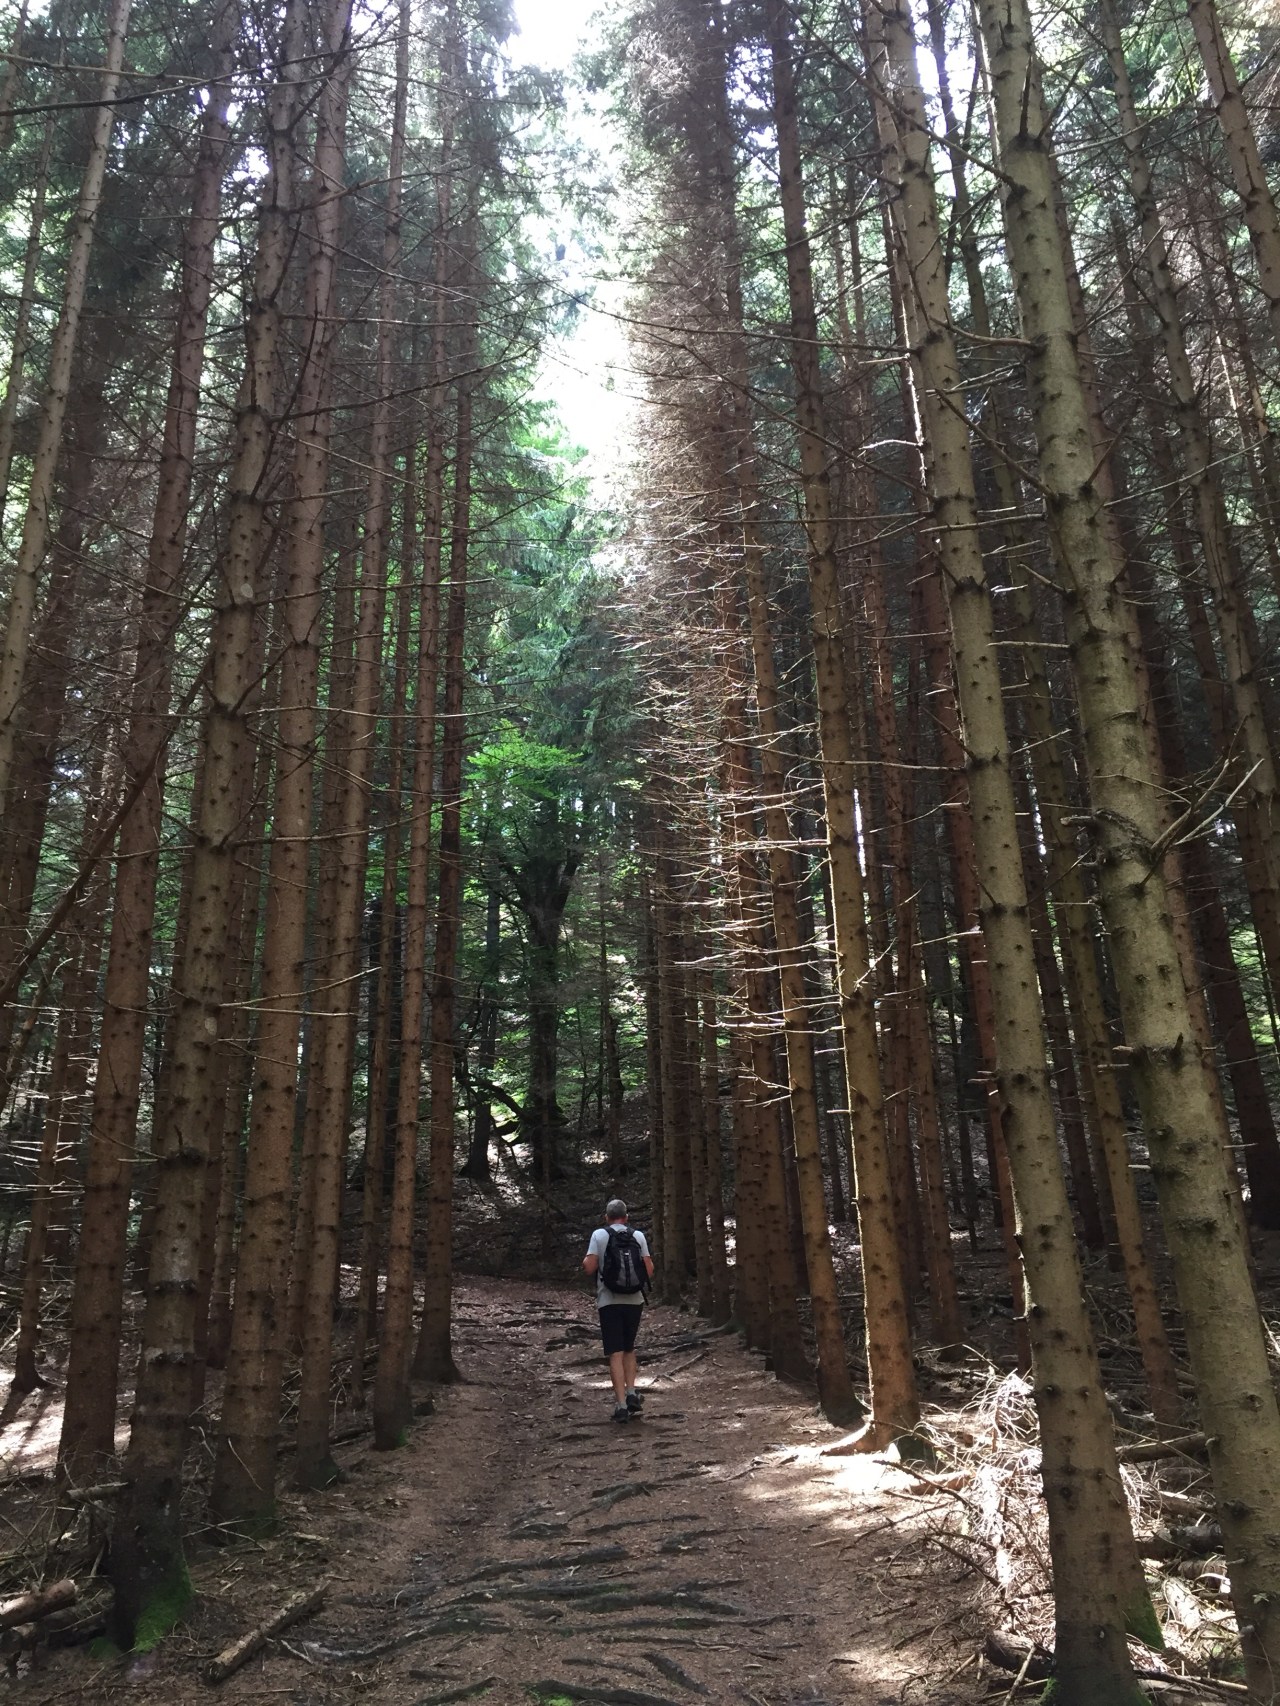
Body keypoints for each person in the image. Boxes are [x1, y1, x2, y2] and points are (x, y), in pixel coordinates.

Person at [583, 1199, 654, 1423]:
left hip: (609, 1301)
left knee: (615, 1352)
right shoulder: (638, 1236)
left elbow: (589, 1267)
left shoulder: (599, 1235)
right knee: (629, 1348)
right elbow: (649, 1270)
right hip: (634, 1300)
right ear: (626, 1217)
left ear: (606, 1217)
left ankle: (621, 1405)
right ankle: (632, 1392)